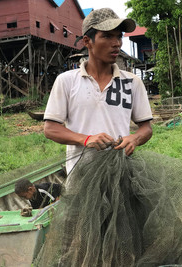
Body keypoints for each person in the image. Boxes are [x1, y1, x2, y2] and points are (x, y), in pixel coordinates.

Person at [43, 8, 153, 174]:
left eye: (119, 36)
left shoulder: (132, 82)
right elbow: (50, 129)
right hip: (81, 176)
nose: (116, 43)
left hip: (120, 174)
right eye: (107, 36)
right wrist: (85, 139)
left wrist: (134, 139)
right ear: (87, 41)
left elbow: (146, 128)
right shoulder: (66, 81)